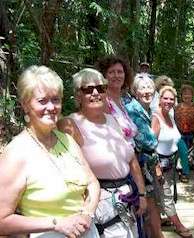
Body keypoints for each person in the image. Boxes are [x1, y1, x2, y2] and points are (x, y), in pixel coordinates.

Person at [0, 65, 100, 237]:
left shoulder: (67, 140)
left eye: (55, 99)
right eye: (42, 101)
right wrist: (56, 223)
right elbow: (2, 220)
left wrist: (87, 213)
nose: (51, 107)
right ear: (25, 105)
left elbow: (92, 183)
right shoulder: (16, 153)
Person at [58, 68, 146, 238]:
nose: (96, 93)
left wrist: (141, 193)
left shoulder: (112, 120)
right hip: (99, 205)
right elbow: (67, 171)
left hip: (126, 197)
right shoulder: (70, 124)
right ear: (78, 95)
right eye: (88, 89)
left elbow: (131, 159)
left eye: (101, 88)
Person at [125, 74, 165, 238]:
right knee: (149, 205)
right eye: (142, 88)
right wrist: (156, 129)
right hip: (139, 166)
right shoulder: (133, 110)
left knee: (151, 204)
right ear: (135, 91)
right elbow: (148, 142)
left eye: (150, 87)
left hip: (147, 165)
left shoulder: (146, 110)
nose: (147, 91)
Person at [151, 86, 192, 238]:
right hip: (159, 164)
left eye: (171, 99)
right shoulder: (156, 117)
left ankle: (160, 219)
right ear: (159, 100)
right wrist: (156, 168)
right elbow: (151, 146)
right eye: (165, 98)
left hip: (169, 163)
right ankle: (179, 225)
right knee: (166, 195)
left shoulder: (169, 115)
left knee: (160, 194)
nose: (168, 101)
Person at [96, 56, 138, 147]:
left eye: (120, 72)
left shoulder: (121, 102)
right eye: (111, 72)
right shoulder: (102, 102)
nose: (116, 75)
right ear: (104, 76)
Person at [174, 84, 194, 182]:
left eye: (189, 94)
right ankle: (185, 173)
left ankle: (189, 165)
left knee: (190, 153)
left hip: (192, 134)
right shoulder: (177, 107)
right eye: (184, 94)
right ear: (181, 95)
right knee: (183, 153)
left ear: (192, 95)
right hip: (180, 134)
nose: (187, 96)